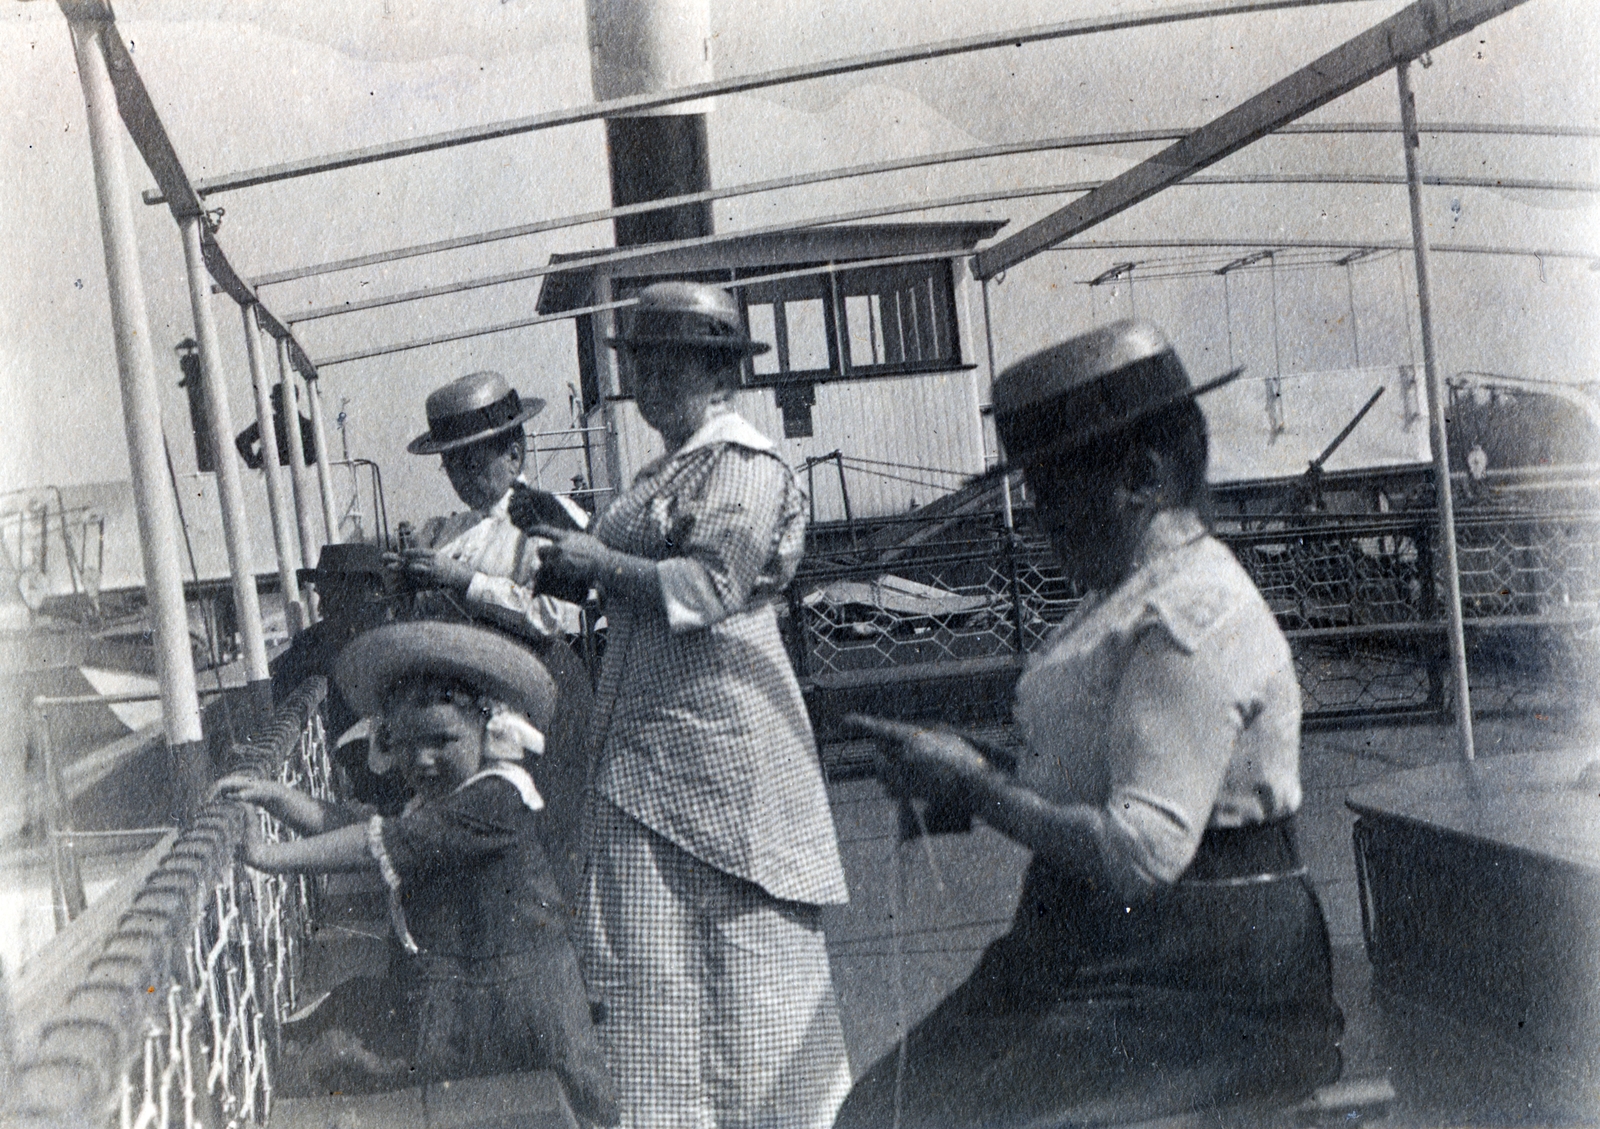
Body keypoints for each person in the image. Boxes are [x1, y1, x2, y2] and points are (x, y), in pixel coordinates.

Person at [834, 320, 1344, 1128]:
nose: (1040, 516)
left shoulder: (1192, 615)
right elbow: (1108, 764)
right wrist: (967, 768)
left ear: (1141, 473)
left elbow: (1141, 850)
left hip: (1202, 976)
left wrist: (974, 783)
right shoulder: (1131, 593)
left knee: (916, 1116)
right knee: (884, 1108)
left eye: (1054, 489)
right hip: (1097, 949)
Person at [521, 282, 852, 1129]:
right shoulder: (663, 470)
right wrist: (580, 565)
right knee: (652, 972)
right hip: (650, 752)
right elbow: (639, 574)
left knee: (750, 957)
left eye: (674, 365)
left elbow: (712, 583)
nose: (653, 381)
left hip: (725, 751)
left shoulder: (743, 463)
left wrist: (597, 562)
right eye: (643, 365)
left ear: (719, 373)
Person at [216, 621, 619, 1126]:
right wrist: (278, 798)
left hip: (525, 1006)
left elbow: (374, 845)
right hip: (477, 994)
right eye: (406, 744)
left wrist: (266, 858)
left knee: (554, 1110)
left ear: (487, 730)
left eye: (442, 740)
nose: (423, 760)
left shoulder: (495, 798)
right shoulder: (444, 801)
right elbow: (363, 824)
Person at [389, 370, 589, 643]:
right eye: (449, 466)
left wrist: (465, 580)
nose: (459, 478)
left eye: (471, 464)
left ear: (513, 456)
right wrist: (403, 587)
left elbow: (551, 616)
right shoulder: (446, 532)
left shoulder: (551, 518)